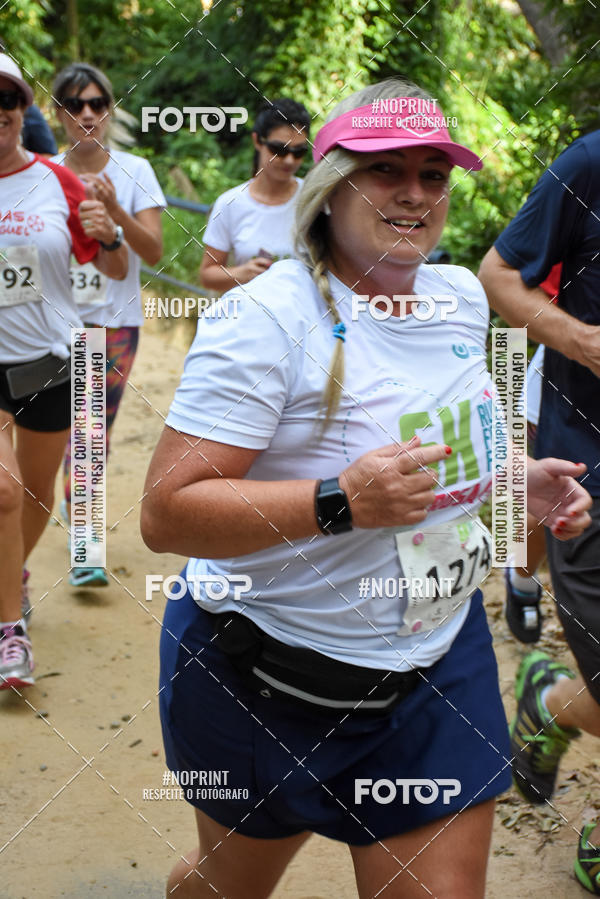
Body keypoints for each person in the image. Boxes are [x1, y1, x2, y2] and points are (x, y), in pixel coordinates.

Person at [141, 79, 592, 899]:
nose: (416, 193)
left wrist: (514, 484)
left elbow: (455, 445)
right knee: (227, 886)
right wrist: (337, 500)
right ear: (332, 184)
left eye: (434, 174)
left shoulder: (457, 296)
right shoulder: (266, 318)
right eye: (388, 171)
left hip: (432, 668)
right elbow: (167, 514)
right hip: (262, 674)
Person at [479, 132, 600, 894]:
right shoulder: (588, 164)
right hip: (583, 466)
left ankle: (553, 706)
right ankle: (550, 699)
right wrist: (580, 338)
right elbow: (498, 275)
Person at [0, 54, 128, 689]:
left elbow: (113, 266)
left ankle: (11, 575)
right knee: (1, 490)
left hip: (51, 359)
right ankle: (7, 630)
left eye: (7, 98)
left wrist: (108, 238)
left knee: (33, 494)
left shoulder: (56, 179)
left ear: (22, 110)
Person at [52, 62, 165, 588]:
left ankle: (86, 546)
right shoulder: (41, 174)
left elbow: (155, 251)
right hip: (50, 325)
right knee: (59, 435)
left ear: (111, 109)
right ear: (60, 114)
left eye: (98, 103)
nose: (88, 114)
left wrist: (116, 211)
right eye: (76, 105)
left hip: (114, 323)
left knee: (91, 434)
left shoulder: (137, 170)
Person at [504, 264, 562, 643]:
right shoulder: (580, 209)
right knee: (547, 498)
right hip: (570, 372)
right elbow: (517, 284)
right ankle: (521, 581)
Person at [199, 98, 310, 292]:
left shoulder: (313, 198)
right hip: (251, 317)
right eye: (279, 150)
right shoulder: (229, 204)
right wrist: (243, 273)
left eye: (299, 151)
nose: (290, 160)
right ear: (258, 141)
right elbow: (208, 275)